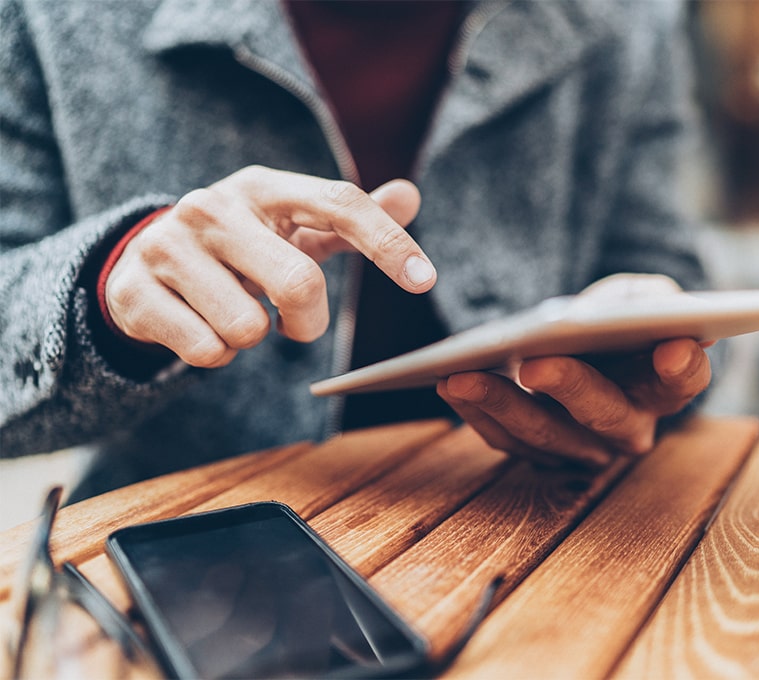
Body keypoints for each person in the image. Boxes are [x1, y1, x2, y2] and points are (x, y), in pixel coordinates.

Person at [0, 0, 714, 499]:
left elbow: (669, 272)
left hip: (536, 523)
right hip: (182, 551)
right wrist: (107, 290)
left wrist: (635, 364)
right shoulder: (53, 15)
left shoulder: (627, 16)